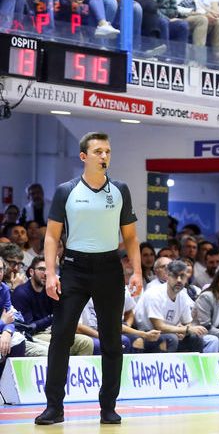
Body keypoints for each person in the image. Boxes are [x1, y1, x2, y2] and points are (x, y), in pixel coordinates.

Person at [35, 132, 143, 426]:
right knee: (61, 338)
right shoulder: (66, 190)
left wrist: (137, 271)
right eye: (98, 151)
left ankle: (108, 407)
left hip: (109, 268)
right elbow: (52, 236)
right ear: (84, 157)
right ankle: (54, 407)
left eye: (107, 151)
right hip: (74, 267)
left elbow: (131, 238)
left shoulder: (120, 189)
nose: (104, 156)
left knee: (112, 341)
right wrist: (51, 273)